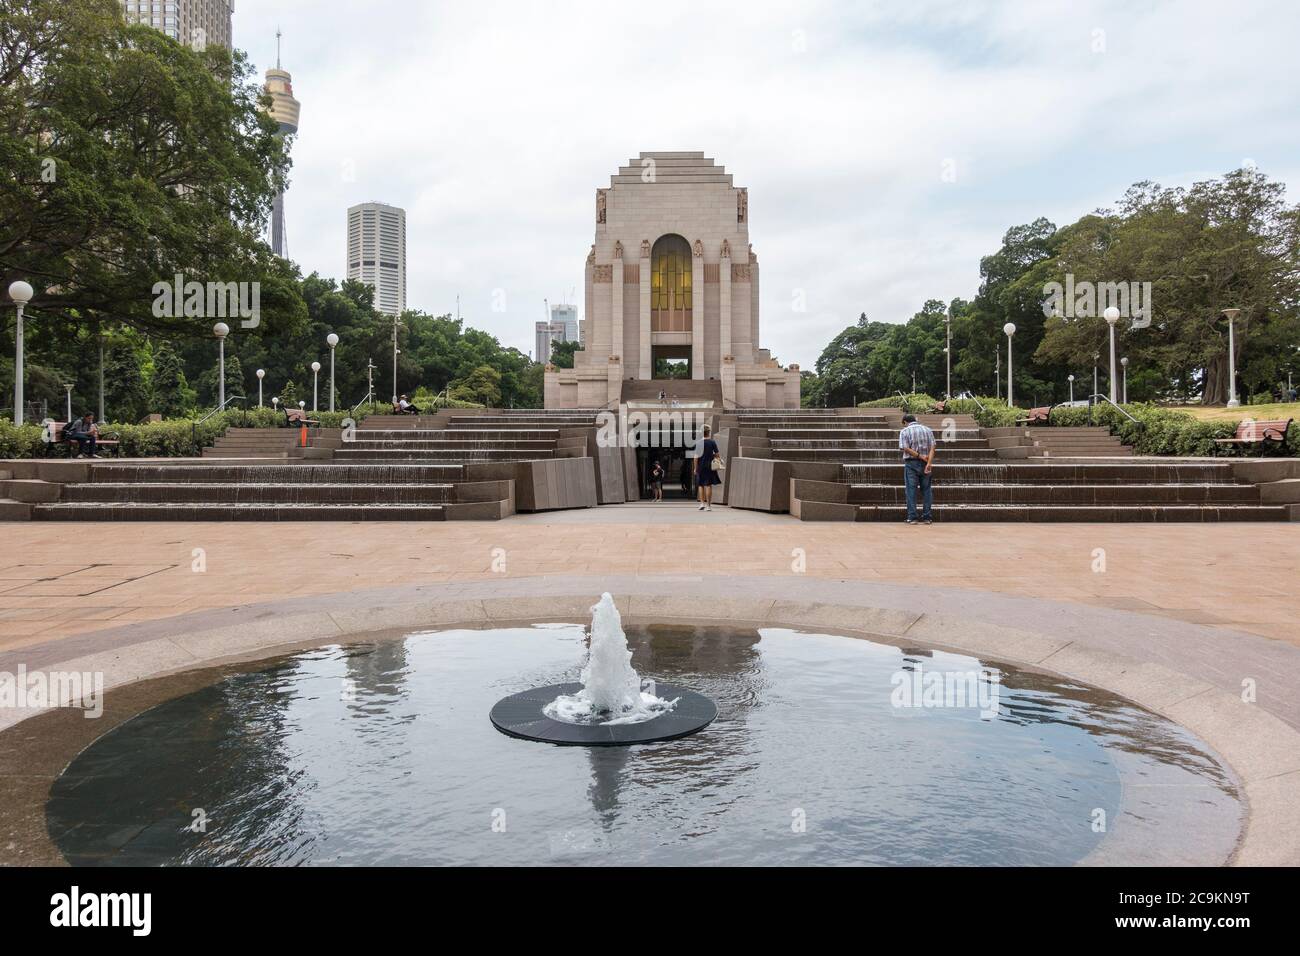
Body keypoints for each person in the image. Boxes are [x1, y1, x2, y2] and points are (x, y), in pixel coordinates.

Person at [898, 413, 936, 524]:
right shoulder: (927, 430)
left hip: (911, 464)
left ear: (905, 422)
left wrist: (919, 456)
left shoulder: (905, 431)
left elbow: (905, 448)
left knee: (911, 490)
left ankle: (912, 517)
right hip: (926, 464)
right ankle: (927, 517)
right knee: (927, 490)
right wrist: (929, 462)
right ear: (915, 420)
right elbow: (933, 447)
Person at [695, 425, 722, 511]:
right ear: (709, 432)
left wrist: (695, 468)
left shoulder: (698, 443)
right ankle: (708, 506)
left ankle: (702, 503)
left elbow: (696, 457)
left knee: (700, 485)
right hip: (710, 466)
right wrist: (712, 455)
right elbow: (717, 455)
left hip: (701, 466)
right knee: (708, 485)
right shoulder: (712, 442)